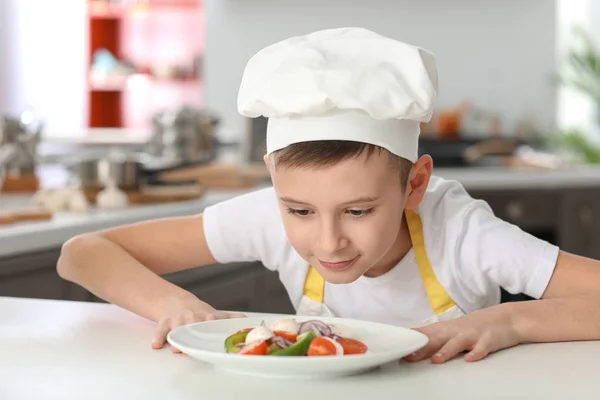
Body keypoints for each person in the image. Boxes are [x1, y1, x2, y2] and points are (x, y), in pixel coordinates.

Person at [57, 27, 600, 364]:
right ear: (274, 181)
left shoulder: (461, 233)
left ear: (414, 184)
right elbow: (82, 253)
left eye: (359, 210)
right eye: (299, 210)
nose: (328, 239)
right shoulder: (270, 214)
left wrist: (509, 321)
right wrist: (177, 306)